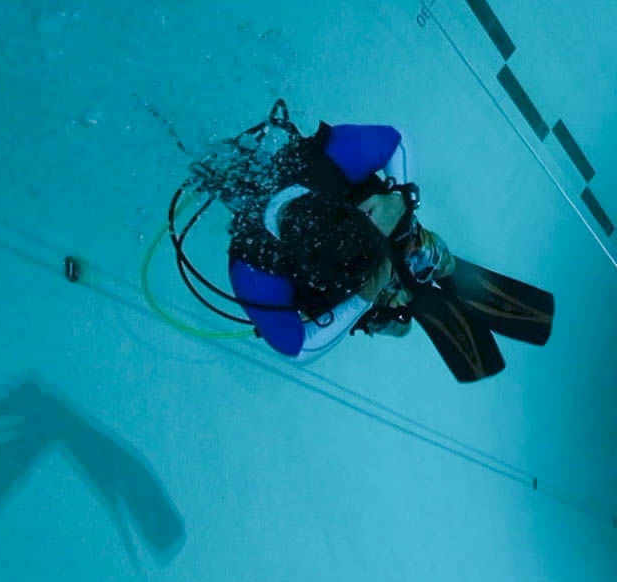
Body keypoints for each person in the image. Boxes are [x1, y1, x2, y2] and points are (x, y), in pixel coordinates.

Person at [173, 103, 553, 378]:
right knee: (395, 319)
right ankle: (394, 307)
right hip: (342, 292)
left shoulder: (325, 164)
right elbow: (298, 348)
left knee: (412, 253)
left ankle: (422, 263)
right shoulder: (256, 269)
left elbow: (397, 138)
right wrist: (363, 299)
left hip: (366, 227)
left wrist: (402, 196)